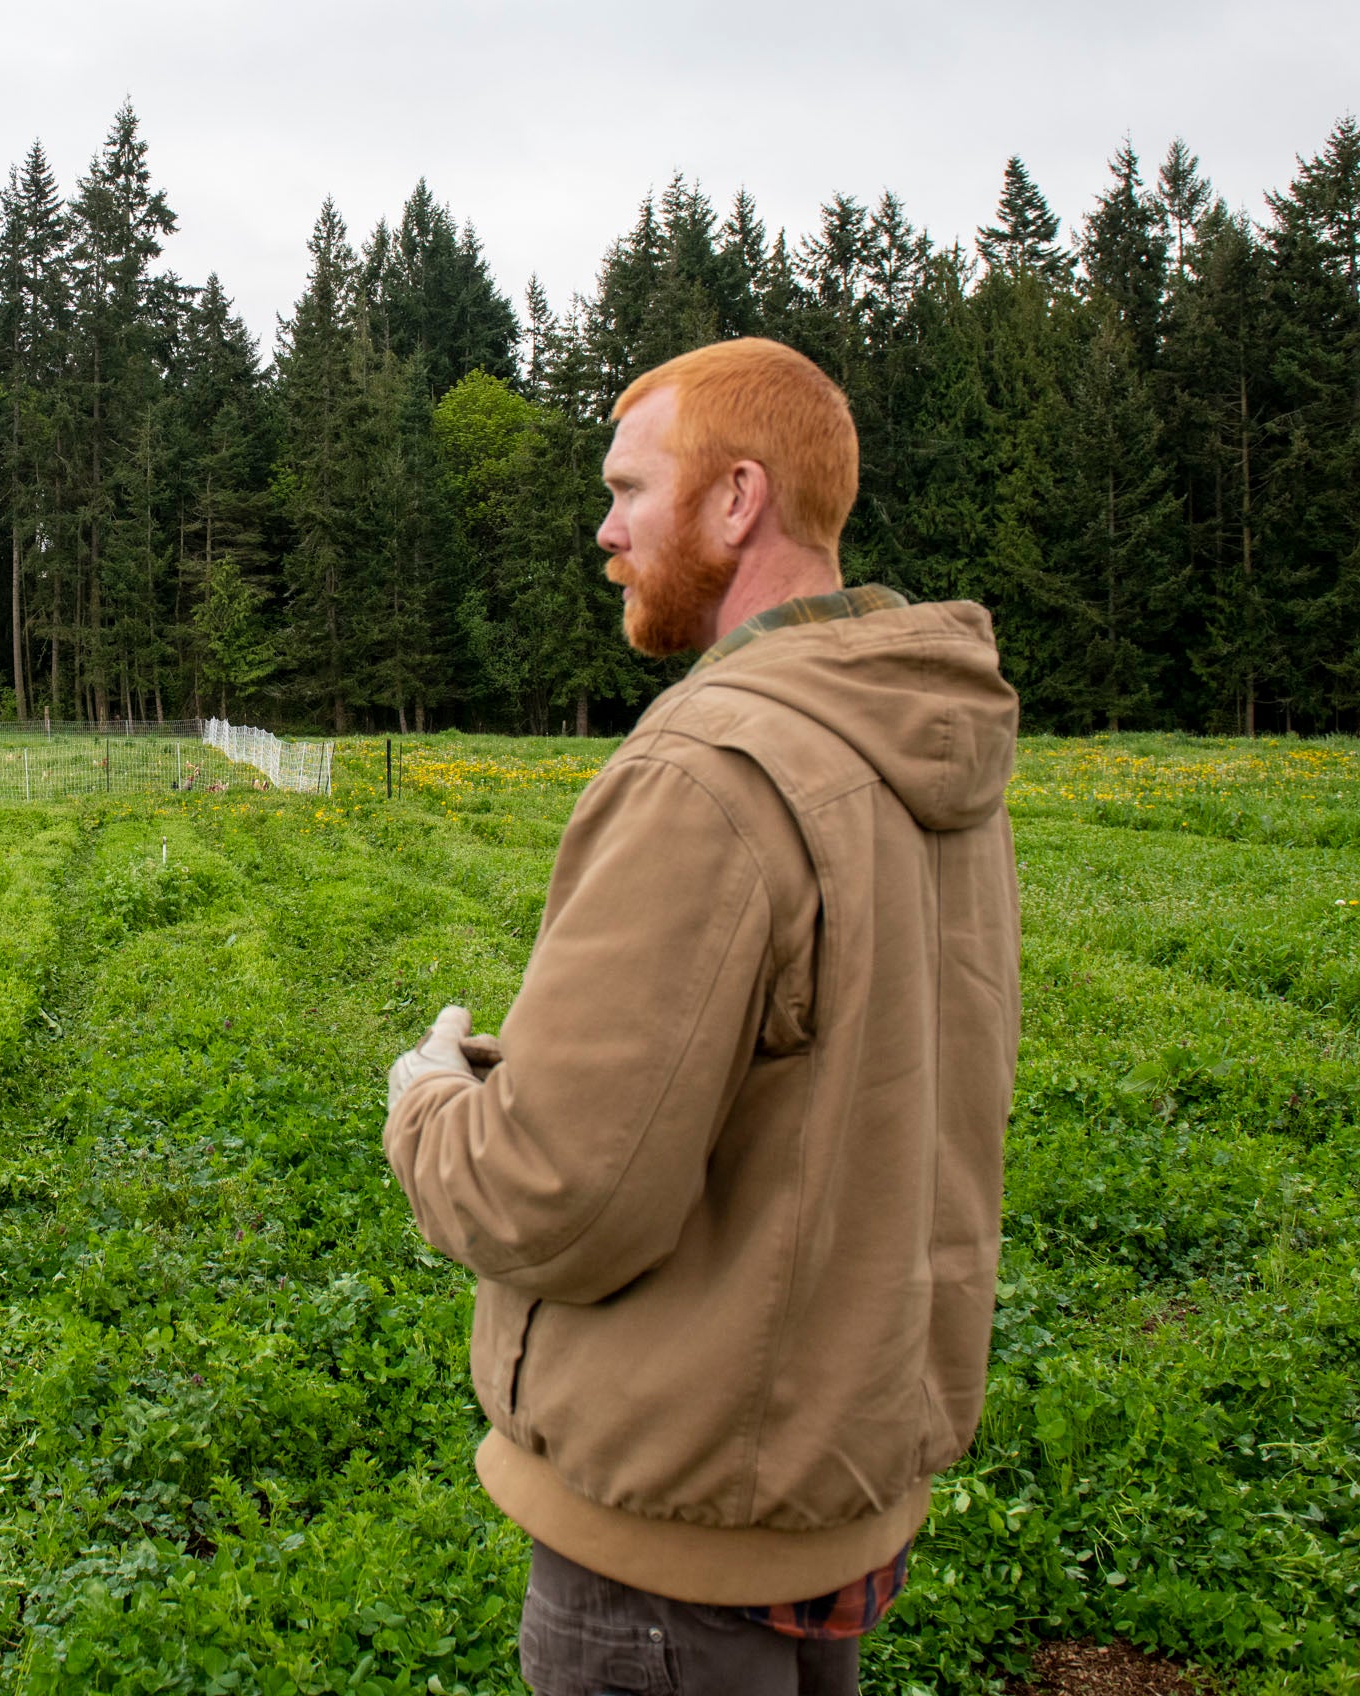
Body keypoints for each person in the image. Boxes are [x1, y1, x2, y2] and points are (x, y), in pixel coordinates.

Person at [383, 337, 1021, 1696]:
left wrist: (431, 1100)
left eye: (629, 490)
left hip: (672, 1550)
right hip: (821, 1485)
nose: (603, 532)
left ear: (737, 502)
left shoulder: (709, 767)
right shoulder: (921, 744)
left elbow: (555, 1193)